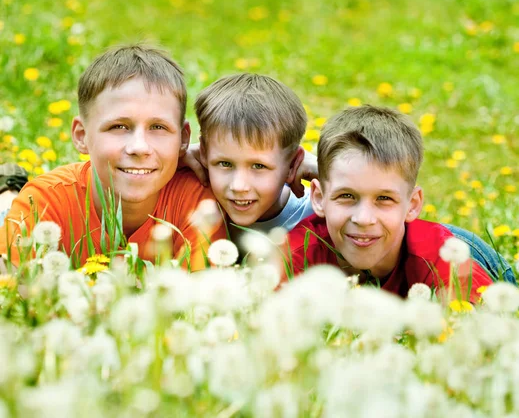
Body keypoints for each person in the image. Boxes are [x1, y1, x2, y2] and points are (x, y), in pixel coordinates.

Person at [0, 45, 226, 269]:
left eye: (158, 127)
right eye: (119, 126)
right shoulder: (44, 202)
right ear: (81, 136)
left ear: (183, 139)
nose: (139, 147)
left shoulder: (198, 204)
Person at [287, 105, 515, 302]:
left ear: (413, 204)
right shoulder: (296, 253)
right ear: (318, 197)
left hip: (459, 249)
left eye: (384, 198)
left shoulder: (444, 260)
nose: (363, 218)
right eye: (346, 196)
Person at [195, 73, 316, 242]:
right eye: (224, 163)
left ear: (292, 164)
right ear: (204, 153)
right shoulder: (195, 204)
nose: (239, 186)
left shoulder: (318, 212)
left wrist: (324, 169)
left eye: (258, 166)